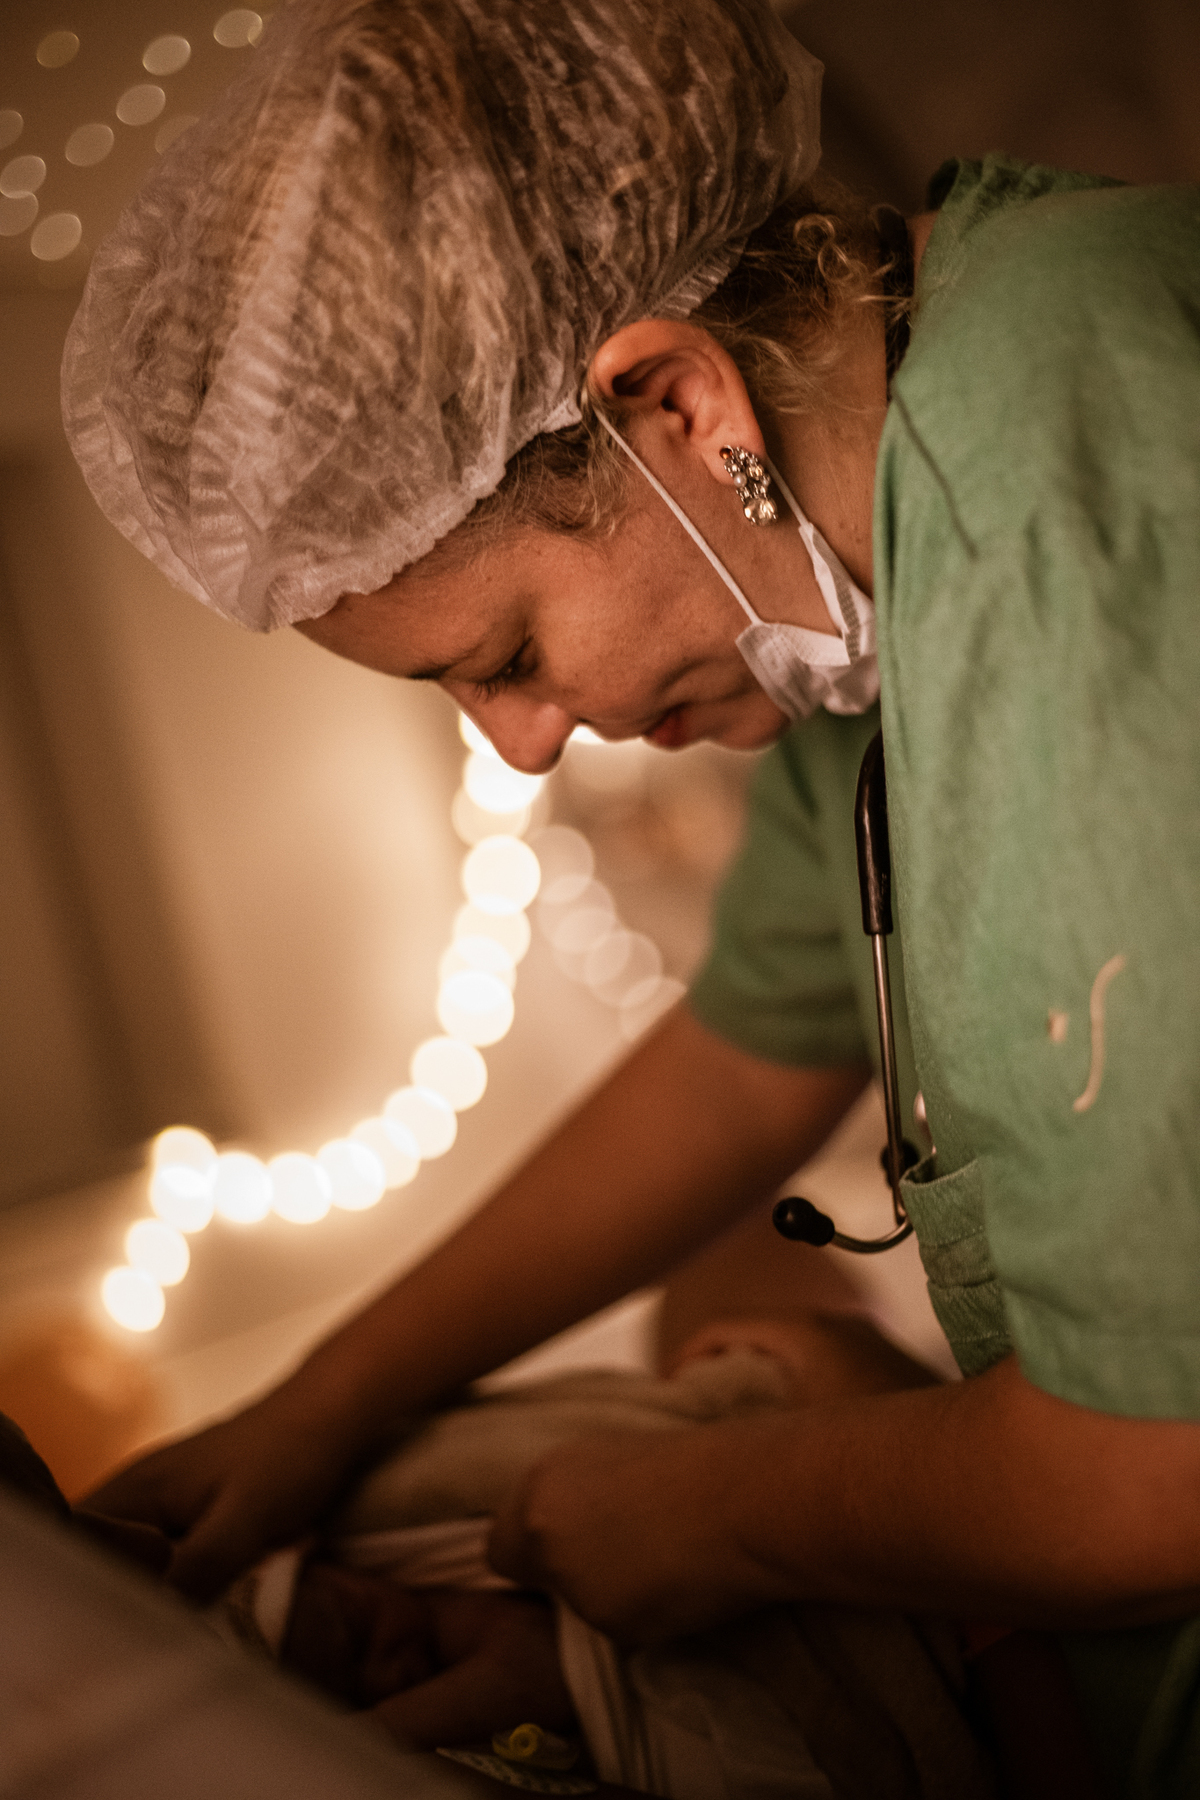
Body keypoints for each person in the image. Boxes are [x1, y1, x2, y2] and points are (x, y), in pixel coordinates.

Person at [60, 0, 1200, 1789]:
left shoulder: (1070, 497)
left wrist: (717, 1512)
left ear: (679, 404)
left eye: (505, 654)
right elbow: (754, 1049)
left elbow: (1159, 1469)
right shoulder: (877, 549)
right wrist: (322, 1404)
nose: (521, 744)